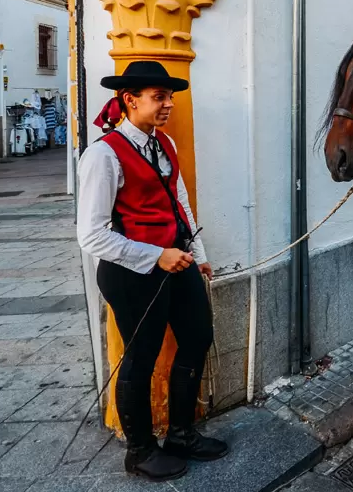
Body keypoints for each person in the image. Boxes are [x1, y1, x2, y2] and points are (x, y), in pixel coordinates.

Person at [76, 61, 226, 481]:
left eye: (169, 96)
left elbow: (179, 205)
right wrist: (154, 255)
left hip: (178, 263)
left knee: (197, 337)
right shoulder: (103, 155)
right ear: (130, 100)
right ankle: (140, 451)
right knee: (140, 356)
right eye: (159, 97)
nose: (168, 104)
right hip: (130, 274)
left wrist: (198, 252)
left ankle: (181, 434)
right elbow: (90, 235)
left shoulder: (166, 147)